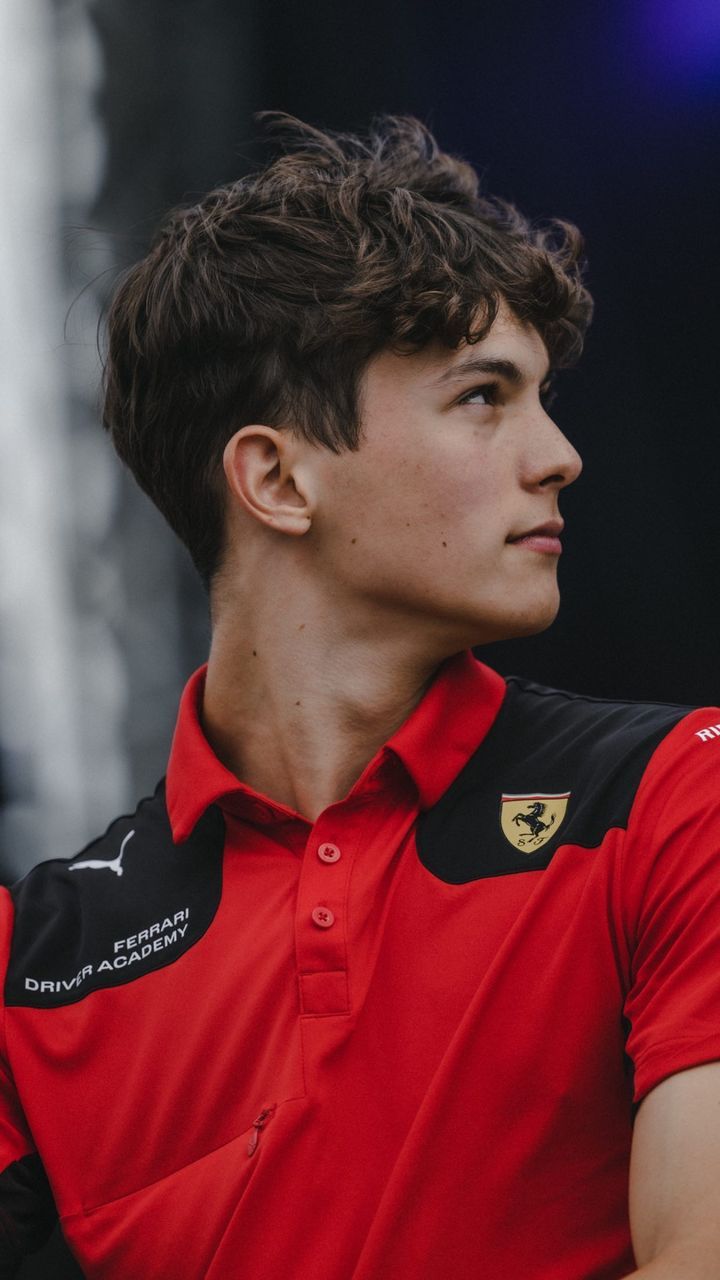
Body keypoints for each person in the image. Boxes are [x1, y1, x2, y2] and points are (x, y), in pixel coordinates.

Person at [1, 112, 720, 1280]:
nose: (559, 454)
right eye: (485, 396)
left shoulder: (681, 796)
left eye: (541, 396)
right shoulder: (30, 959)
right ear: (277, 478)